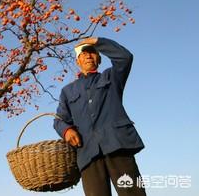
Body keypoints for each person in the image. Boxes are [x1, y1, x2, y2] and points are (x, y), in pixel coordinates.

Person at [54, 37, 146, 196]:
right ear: (78, 61)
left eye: (92, 53)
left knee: (133, 193)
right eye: (84, 54)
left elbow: (125, 57)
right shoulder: (67, 91)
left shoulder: (111, 78)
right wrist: (67, 130)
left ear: (99, 59)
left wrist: (97, 41)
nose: (88, 56)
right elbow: (59, 120)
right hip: (88, 153)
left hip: (117, 145)